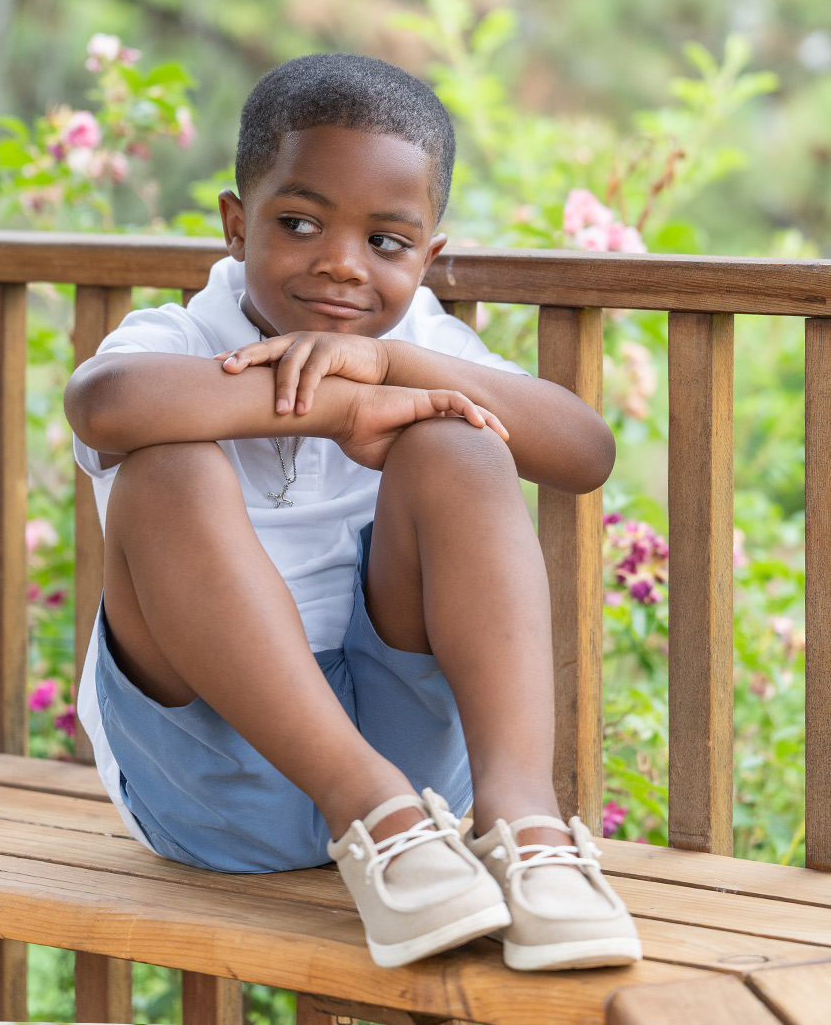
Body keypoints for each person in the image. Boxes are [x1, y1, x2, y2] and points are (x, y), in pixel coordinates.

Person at [65, 53, 641, 972]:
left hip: (417, 774)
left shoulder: (421, 343)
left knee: (461, 439)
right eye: (297, 224)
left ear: (428, 256)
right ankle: (366, 802)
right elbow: (106, 405)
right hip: (211, 778)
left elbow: (584, 450)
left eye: (385, 243)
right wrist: (336, 405)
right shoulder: (180, 339)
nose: (340, 264)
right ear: (233, 222)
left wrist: (390, 371)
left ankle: (523, 819)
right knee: (162, 467)